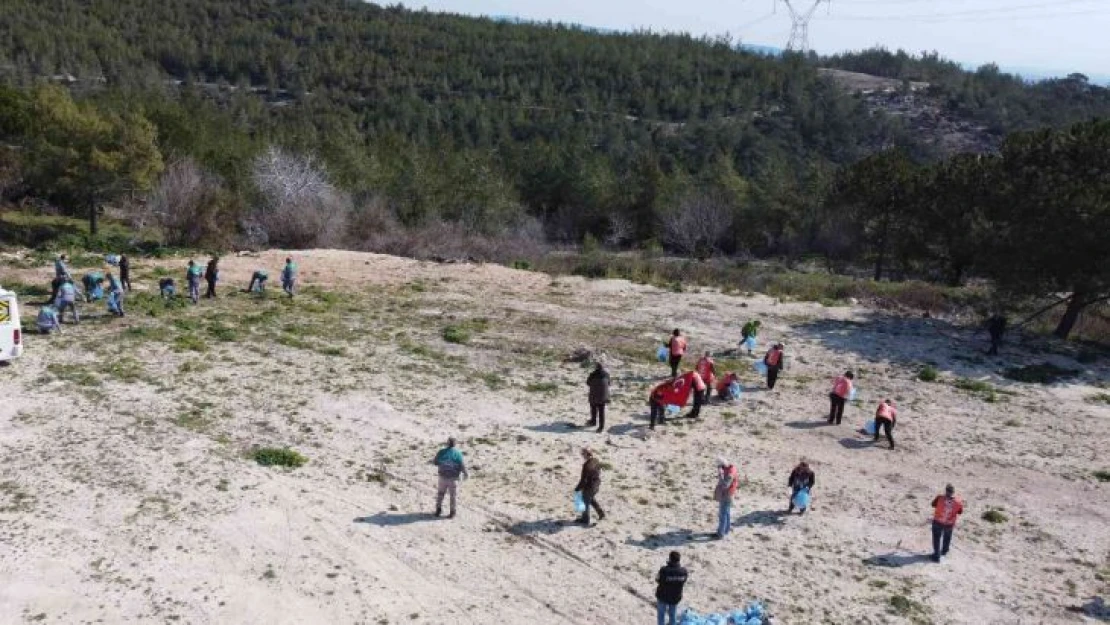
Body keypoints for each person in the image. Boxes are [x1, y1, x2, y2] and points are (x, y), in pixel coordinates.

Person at [432, 437, 468, 518]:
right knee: (453, 496)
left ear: (447, 443)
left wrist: (443, 463)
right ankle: (452, 512)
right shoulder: (458, 453)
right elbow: (462, 466)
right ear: (455, 444)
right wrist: (465, 473)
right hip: (453, 478)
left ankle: (438, 510)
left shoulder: (441, 452)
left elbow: (435, 462)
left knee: (440, 494)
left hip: (442, 477)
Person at [930, 484, 964, 562]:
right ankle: (944, 551)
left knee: (936, 538)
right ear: (953, 492)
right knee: (947, 537)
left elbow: (933, 504)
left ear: (946, 491)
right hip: (949, 523)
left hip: (938, 521)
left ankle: (936, 556)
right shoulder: (958, 501)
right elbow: (960, 512)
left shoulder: (940, 498)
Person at [654, 551, 688, 625]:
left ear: (670, 559)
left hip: (663, 596)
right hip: (675, 597)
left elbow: (657, 579)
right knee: (673, 615)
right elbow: (684, 581)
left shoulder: (664, 570)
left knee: (661, 615)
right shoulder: (684, 571)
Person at [573, 447, 605, 525]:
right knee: (590, 499)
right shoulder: (596, 460)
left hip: (589, 486)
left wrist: (577, 489)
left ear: (586, 454)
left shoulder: (586, 465)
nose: (582, 455)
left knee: (584, 502)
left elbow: (584, 480)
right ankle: (601, 513)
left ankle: (585, 519)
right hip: (596, 484)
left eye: (583, 454)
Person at [713, 457, 739, 538]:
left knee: (722, 514)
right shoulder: (731, 468)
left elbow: (725, 485)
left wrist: (720, 474)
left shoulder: (729, 473)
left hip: (726, 495)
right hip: (729, 494)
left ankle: (720, 534)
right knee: (726, 513)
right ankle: (726, 530)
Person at [585, 362, 610, 433]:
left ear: (596, 368)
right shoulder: (606, 374)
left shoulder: (592, 374)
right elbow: (609, 383)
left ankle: (593, 421)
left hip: (594, 395)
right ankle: (601, 427)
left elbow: (588, 383)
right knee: (601, 411)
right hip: (603, 396)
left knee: (593, 408)